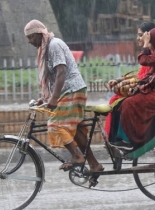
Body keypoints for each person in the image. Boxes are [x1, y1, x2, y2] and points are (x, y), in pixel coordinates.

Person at [24, 19, 103, 187]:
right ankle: (94, 164)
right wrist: (45, 98)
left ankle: (77, 156)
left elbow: (61, 73)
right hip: (67, 92)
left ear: (39, 34)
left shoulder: (54, 45)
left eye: (31, 37)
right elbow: (52, 78)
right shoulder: (45, 49)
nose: (29, 41)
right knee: (73, 130)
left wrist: (53, 99)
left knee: (55, 124)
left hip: (73, 90)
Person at [109, 27, 155, 150]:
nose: (151, 44)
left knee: (128, 104)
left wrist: (146, 44)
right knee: (124, 103)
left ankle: (135, 140)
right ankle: (121, 139)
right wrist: (138, 85)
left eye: (152, 41)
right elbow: (151, 73)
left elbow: (143, 60)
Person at [104, 22, 155, 139]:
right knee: (115, 100)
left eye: (140, 35)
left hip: (149, 92)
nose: (137, 38)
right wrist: (120, 80)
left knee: (123, 103)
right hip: (145, 87)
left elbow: (145, 77)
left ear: (148, 35)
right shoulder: (150, 52)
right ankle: (115, 139)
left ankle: (126, 138)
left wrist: (146, 44)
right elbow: (140, 76)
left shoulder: (153, 53)